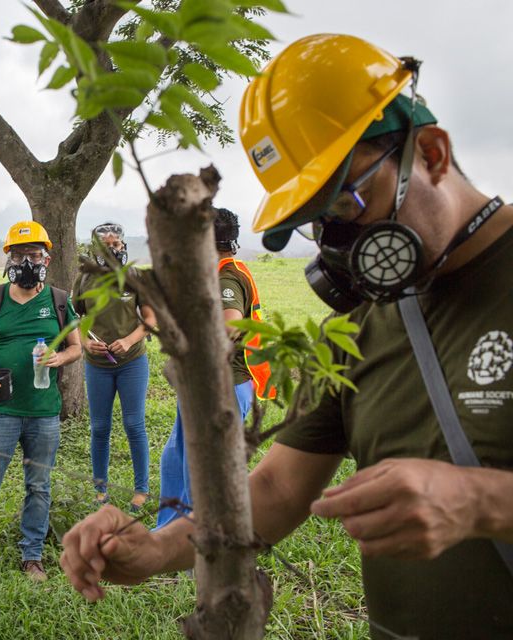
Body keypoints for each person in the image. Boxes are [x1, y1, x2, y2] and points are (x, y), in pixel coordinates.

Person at [59, 34, 513, 639]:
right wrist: (158, 549)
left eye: (349, 202)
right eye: (318, 225)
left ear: (430, 152)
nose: (342, 246)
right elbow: (277, 486)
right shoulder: (356, 328)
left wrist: (485, 502)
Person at [0, 220, 82, 582]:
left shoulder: (60, 300)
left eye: (34, 254)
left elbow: (76, 347)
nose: (27, 261)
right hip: (0, 408)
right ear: (8, 258)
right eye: (19, 254)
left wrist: (61, 358)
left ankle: (32, 555)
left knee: (39, 485)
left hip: (44, 412)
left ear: (46, 257)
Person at [155, 207, 272, 529]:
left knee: (203, 468)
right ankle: (168, 531)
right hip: (201, 383)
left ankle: (200, 542)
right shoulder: (218, 271)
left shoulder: (225, 276)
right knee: (176, 456)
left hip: (223, 383)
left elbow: (230, 326)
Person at [72, 222, 157, 511]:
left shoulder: (134, 276)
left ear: (123, 246)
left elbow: (150, 319)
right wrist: (84, 342)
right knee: (99, 427)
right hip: (97, 365)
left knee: (134, 424)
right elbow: (76, 319)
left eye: (116, 245)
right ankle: (100, 489)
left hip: (132, 362)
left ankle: (141, 489)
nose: (112, 249)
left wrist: (128, 340)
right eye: (106, 245)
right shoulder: (84, 279)